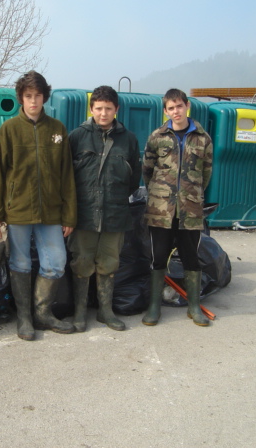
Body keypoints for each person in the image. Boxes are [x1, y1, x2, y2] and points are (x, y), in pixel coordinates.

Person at [0, 70, 77, 341]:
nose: (33, 101)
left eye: (38, 95)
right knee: (20, 263)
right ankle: (24, 318)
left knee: (56, 263)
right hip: (18, 211)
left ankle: (43, 314)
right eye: (28, 96)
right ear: (21, 98)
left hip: (51, 211)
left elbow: (67, 176)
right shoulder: (9, 130)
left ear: (44, 97)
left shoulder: (57, 129)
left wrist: (69, 215)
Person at [67, 86, 141, 332]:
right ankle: (79, 311)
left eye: (108, 108)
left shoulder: (129, 139)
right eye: (98, 108)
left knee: (109, 262)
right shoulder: (77, 137)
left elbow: (134, 179)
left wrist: (115, 199)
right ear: (91, 109)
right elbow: (65, 177)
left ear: (116, 109)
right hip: (84, 214)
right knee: (81, 262)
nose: (103, 113)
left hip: (115, 214)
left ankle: (105, 311)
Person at [142, 88, 213, 327]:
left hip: (190, 209)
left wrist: (190, 193)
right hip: (161, 209)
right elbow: (147, 171)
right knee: (158, 257)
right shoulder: (157, 136)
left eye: (179, 106)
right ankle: (154, 307)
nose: (176, 111)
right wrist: (161, 193)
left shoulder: (203, 138)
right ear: (165, 111)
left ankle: (193, 307)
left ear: (187, 106)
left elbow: (206, 173)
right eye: (171, 108)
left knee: (191, 257)